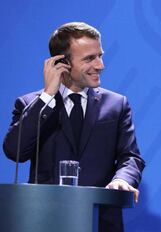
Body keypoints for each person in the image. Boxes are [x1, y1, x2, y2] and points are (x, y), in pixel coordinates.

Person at [3, 22, 145, 232]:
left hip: (100, 221)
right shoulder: (30, 104)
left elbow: (130, 156)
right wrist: (47, 97)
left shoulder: (117, 104)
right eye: (89, 58)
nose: (100, 65)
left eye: (100, 55)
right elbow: (15, 152)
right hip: (44, 221)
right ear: (62, 63)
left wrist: (121, 180)